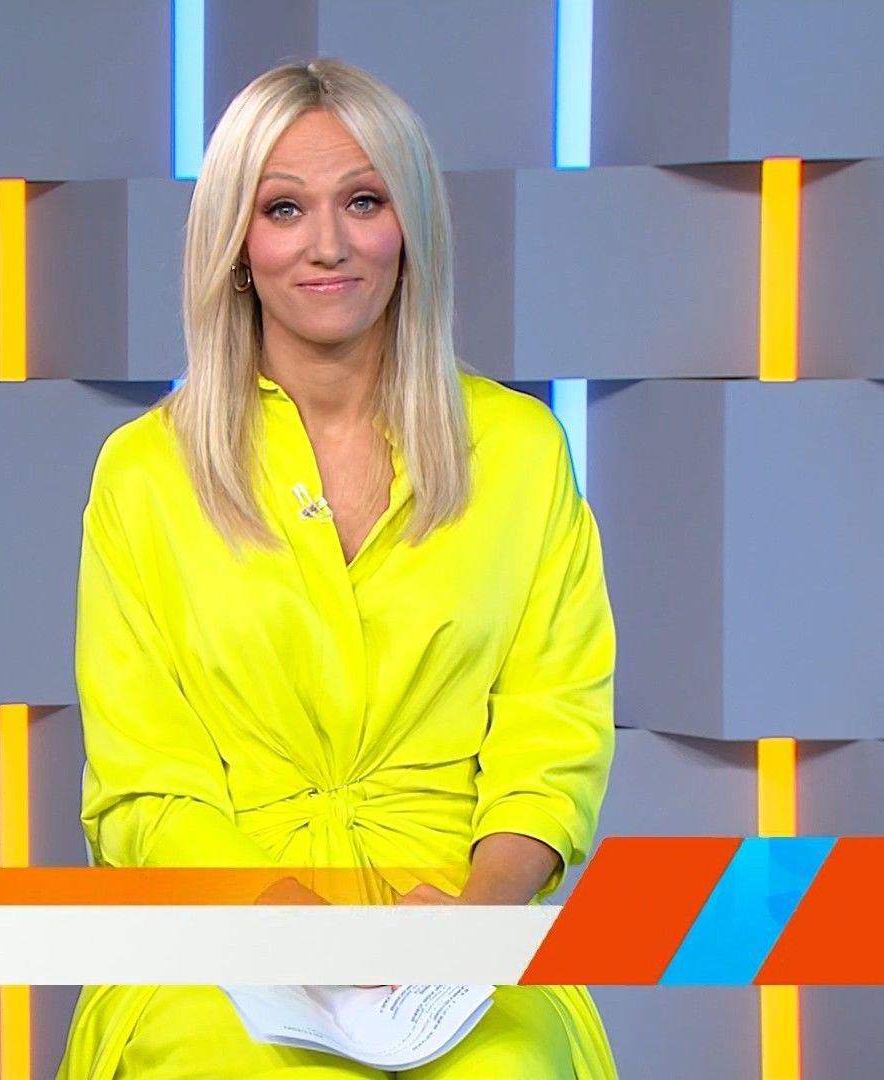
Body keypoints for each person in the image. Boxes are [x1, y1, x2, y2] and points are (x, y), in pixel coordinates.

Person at [57, 59, 616, 1079]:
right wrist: (312, 940)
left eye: (364, 201)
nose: (328, 243)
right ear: (237, 244)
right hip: (224, 927)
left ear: (411, 228)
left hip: (455, 920)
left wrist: (477, 925)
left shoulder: (524, 451)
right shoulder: (143, 473)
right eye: (284, 208)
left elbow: (554, 738)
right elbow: (147, 787)